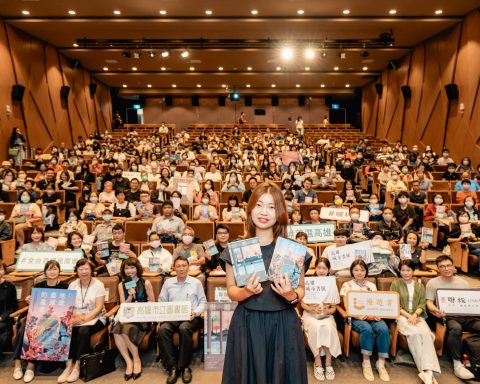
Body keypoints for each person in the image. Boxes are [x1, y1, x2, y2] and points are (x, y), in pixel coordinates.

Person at [220, 181, 311, 384]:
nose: (264, 212)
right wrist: (247, 292)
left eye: (271, 207)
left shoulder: (292, 249)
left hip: (284, 324)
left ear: (279, 212)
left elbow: (301, 289)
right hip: (247, 323)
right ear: (250, 209)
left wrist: (291, 295)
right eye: (259, 205)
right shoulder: (236, 249)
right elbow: (231, 290)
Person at [12, 260, 68, 383]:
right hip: (37, 318)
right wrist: (30, 300)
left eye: (55, 269)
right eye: (49, 269)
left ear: (59, 271)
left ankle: (30, 366)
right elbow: (35, 306)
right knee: (23, 330)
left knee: (40, 330)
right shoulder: (38, 286)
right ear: (44, 272)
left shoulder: (65, 286)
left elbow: (66, 309)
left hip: (55, 321)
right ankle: (17, 365)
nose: (52, 272)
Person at [425, 255, 479, 380]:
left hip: (466, 315)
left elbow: (469, 301)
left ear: (454, 267)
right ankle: (457, 364)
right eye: (442, 266)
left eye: (448, 265)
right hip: (448, 316)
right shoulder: (433, 283)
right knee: (455, 329)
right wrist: (436, 310)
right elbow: (429, 303)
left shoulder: (463, 283)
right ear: (438, 269)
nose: (446, 269)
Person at [390, 260, 441, 384]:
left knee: (427, 335)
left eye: (408, 270)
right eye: (403, 270)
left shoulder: (419, 285)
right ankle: (427, 371)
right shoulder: (395, 284)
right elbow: (394, 303)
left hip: (418, 316)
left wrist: (415, 314)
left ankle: (427, 372)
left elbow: (422, 303)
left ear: (413, 271)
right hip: (401, 315)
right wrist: (409, 316)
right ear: (399, 271)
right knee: (414, 334)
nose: (406, 273)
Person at [158, 256, 207, 384]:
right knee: (163, 329)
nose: (181, 269)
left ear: (188, 267)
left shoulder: (196, 283)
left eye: (184, 266)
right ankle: (172, 367)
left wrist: (195, 312)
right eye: (178, 266)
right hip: (172, 317)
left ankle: (184, 366)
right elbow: (161, 301)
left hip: (191, 317)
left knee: (184, 328)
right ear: (174, 268)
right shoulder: (168, 283)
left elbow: (203, 302)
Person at [340, 259, 391, 382]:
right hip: (357, 317)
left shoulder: (371, 285)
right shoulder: (347, 285)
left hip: (373, 316)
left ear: (366, 271)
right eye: (356, 270)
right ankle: (366, 362)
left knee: (384, 328)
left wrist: (379, 314)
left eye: (362, 270)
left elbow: (377, 303)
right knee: (366, 329)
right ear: (352, 271)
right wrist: (357, 315)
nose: (359, 272)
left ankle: (381, 363)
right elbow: (347, 305)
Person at [58, 259, 106, 383]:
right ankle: (68, 366)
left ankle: (77, 366)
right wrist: (76, 317)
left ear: (91, 270)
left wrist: (83, 319)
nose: (84, 271)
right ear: (77, 271)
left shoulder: (98, 284)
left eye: (86, 269)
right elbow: (69, 305)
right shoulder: (72, 285)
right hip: (76, 317)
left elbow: (99, 307)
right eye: (81, 269)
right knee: (68, 329)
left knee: (83, 330)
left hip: (96, 318)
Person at [113, 258, 155, 381]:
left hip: (142, 317)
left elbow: (152, 302)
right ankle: (129, 361)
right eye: (126, 268)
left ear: (137, 268)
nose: (129, 271)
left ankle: (136, 359)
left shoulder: (145, 282)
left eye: (132, 267)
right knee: (116, 330)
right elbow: (123, 304)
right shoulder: (122, 284)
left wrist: (141, 306)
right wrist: (131, 295)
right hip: (127, 315)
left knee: (124, 330)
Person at [300, 257, 341, 381]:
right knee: (316, 327)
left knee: (328, 326)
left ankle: (328, 361)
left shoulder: (332, 283)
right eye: (319, 268)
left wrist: (327, 311)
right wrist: (312, 309)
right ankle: (317, 361)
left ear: (328, 270)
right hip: (310, 315)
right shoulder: (309, 282)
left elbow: (334, 307)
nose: (321, 271)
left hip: (326, 315)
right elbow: (302, 304)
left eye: (324, 268)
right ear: (315, 268)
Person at [0, 261, 18, 354]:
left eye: (0, 269)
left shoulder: (10, 286)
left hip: (4, 320)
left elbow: (13, 306)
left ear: (4, 270)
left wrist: (2, 317)